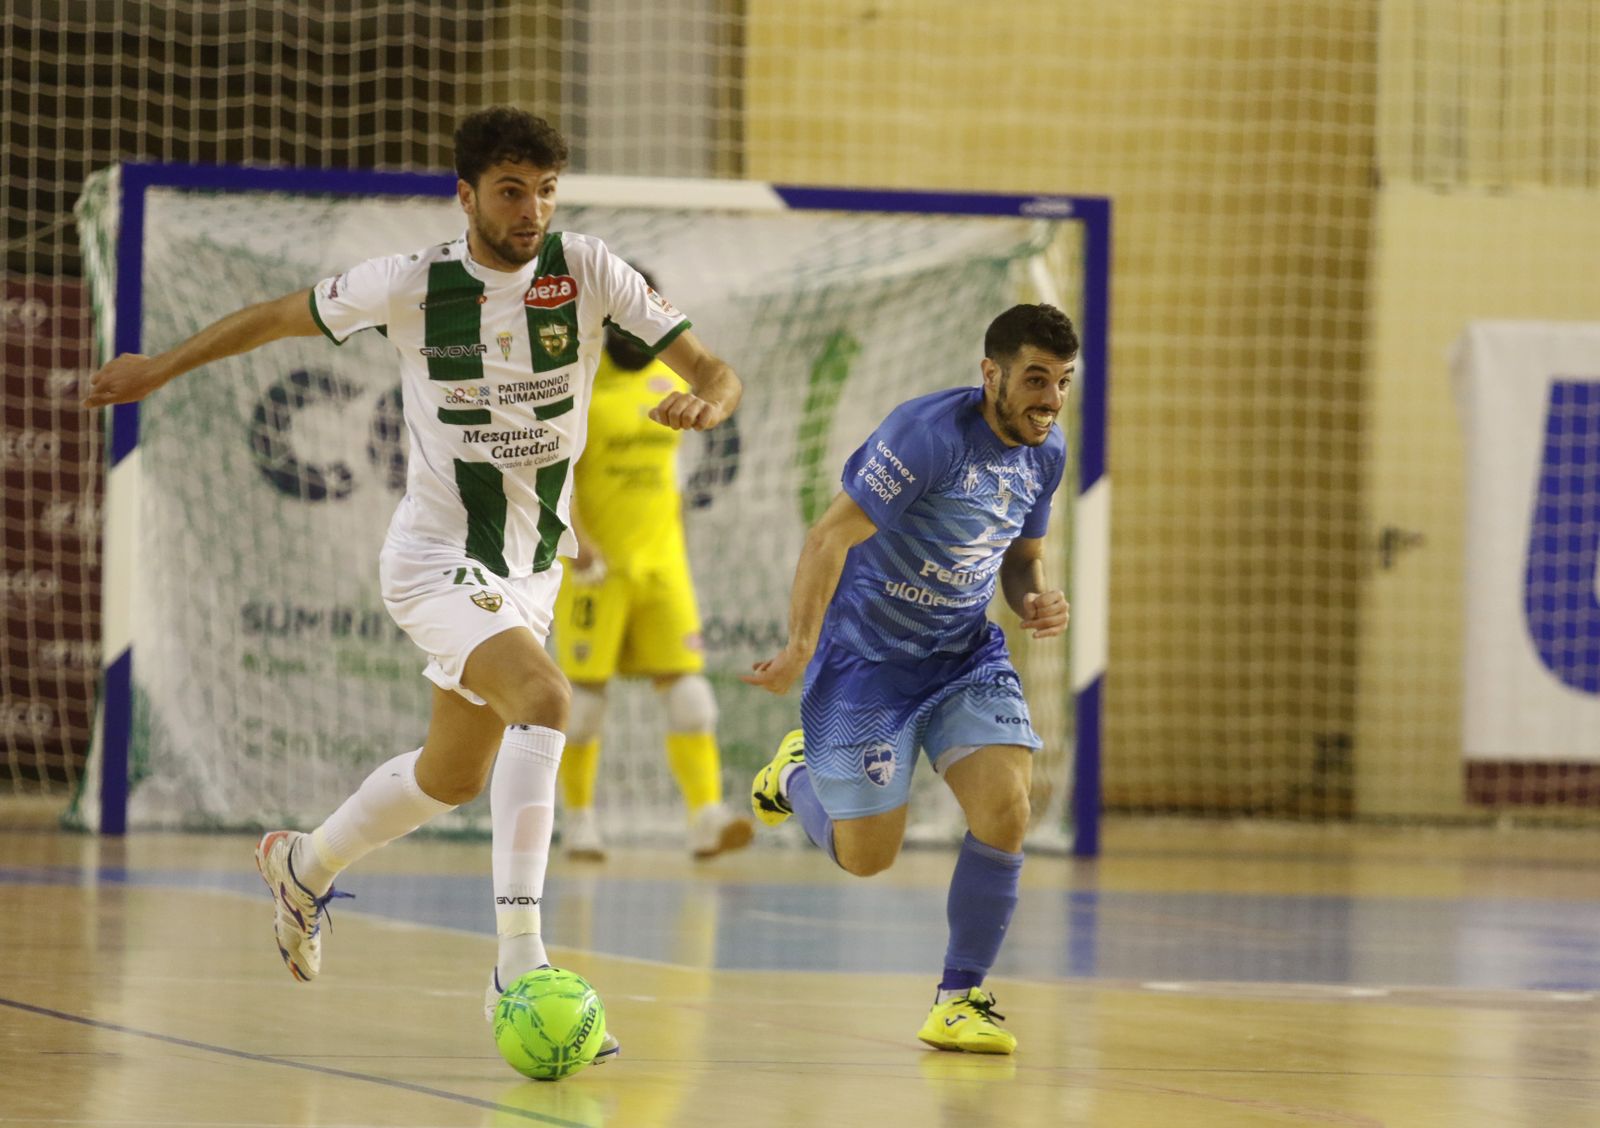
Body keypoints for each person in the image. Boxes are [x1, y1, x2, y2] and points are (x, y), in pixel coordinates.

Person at [82, 106, 744, 1063]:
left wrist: (709, 402)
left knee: (453, 775)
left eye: (545, 191)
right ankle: (518, 962)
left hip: (529, 572)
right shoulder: (411, 283)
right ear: (466, 195)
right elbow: (275, 316)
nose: (531, 210)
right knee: (546, 698)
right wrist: (160, 368)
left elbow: (713, 367)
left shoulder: (589, 269)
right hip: (435, 559)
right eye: (511, 191)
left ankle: (304, 863)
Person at [741, 303, 1076, 1055]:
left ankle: (959, 999)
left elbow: (1022, 559)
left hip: (964, 657)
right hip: (870, 662)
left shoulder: (1044, 452)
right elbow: (828, 536)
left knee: (1008, 808)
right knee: (868, 858)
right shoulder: (925, 437)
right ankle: (794, 773)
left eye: (1062, 382)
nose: (1050, 400)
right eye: (1035, 379)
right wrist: (799, 648)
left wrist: (1034, 600)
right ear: (990, 374)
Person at [551, 264, 755, 861]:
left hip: (663, 563)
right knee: (583, 705)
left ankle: (706, 818)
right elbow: (553, 474)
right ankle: (579, 823)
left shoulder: (673, 376)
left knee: (691, 697)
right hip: (595, 566)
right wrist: (577, 540)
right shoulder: (579, 380)